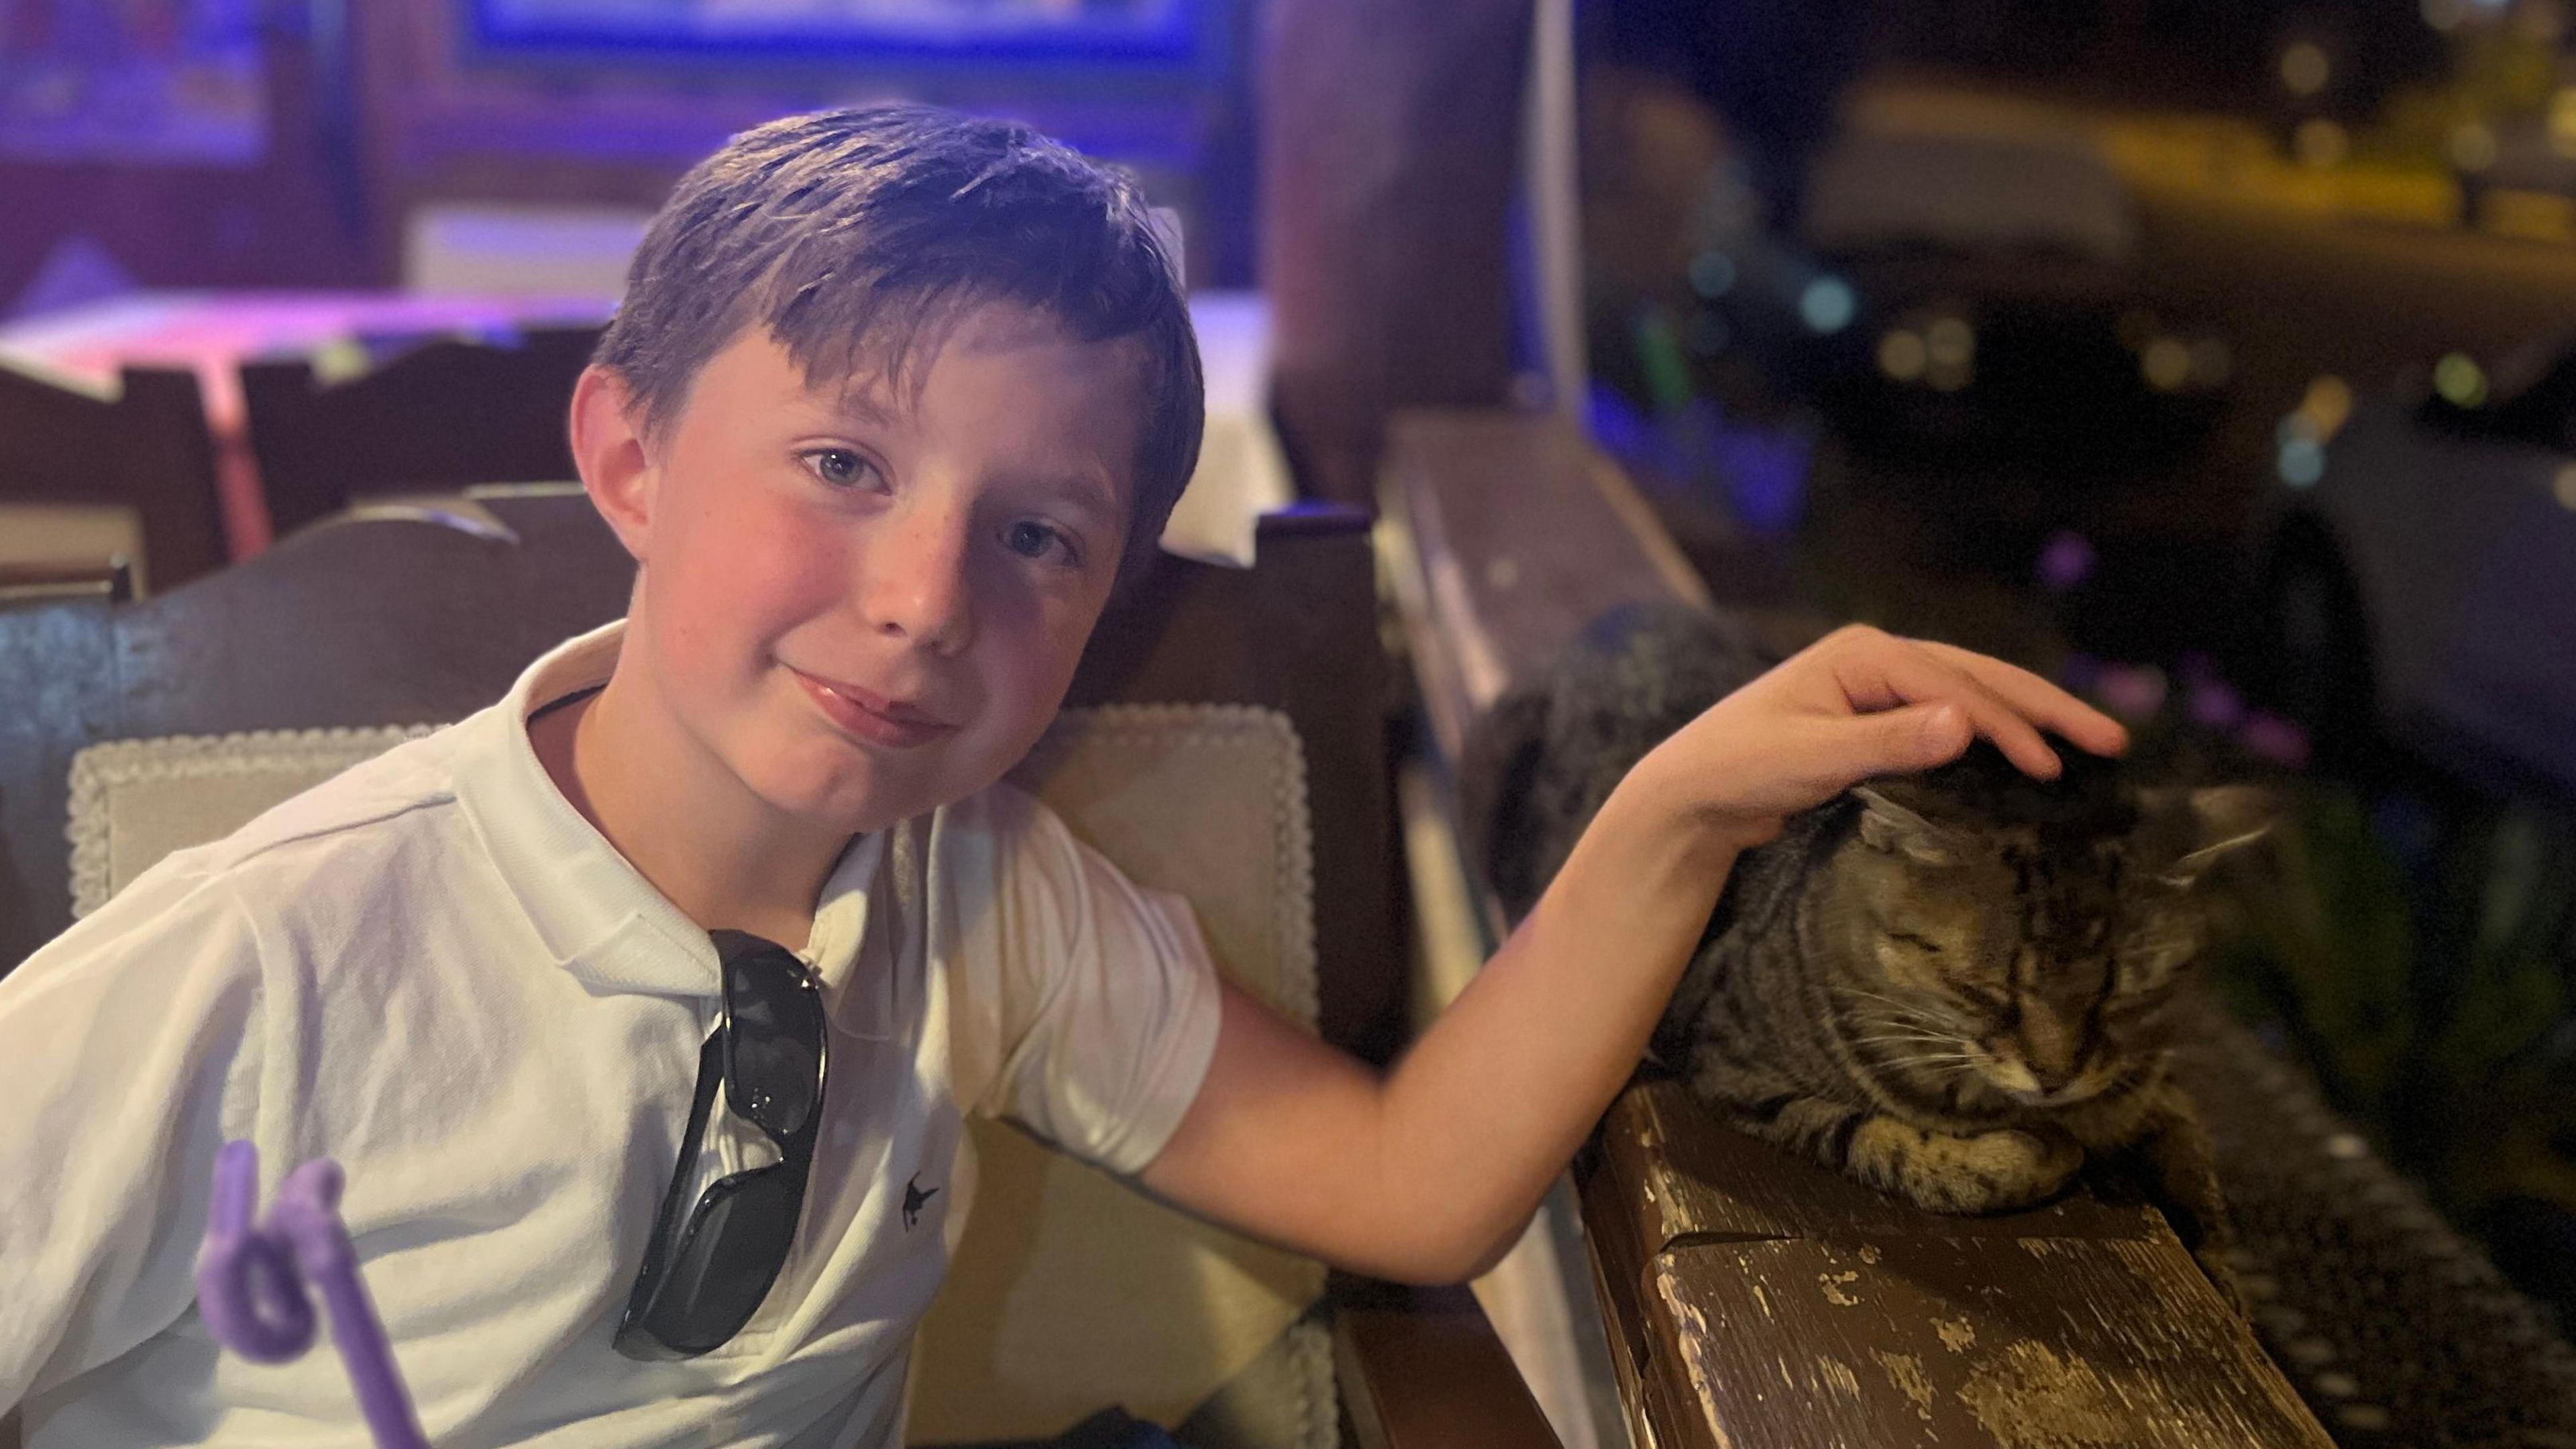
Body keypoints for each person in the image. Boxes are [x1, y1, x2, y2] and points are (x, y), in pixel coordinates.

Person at [0, 104, 2125, 1446]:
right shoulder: (267, 960)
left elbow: (1405, 1187)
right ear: (631, 455)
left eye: (1038, 537)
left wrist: (1680, 805)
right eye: (841, 465)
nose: (926, 600)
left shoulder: (975, 898)